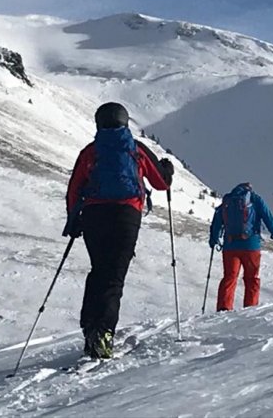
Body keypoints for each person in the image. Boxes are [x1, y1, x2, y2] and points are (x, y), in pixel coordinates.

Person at [65, 102, 174, 359]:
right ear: (125, 122)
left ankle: (91, 328)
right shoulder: (135, 149)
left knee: (99, 270)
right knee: (114, 276)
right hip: (126, 215)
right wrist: (167, 170)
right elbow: (160, 183)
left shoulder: (91, 152)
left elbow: (74, 187)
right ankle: (103, 334)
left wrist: (74, 219)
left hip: (93, 216)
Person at [209, 183, 273, 311]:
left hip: (230, 246)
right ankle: (250, 309)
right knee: (251, 279)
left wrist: (213, 240)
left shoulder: (228, 201)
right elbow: (268, 218)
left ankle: (224, 308)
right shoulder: (255, 199)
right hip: (251, 246)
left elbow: (217, 222)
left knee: (229, 277)